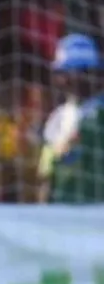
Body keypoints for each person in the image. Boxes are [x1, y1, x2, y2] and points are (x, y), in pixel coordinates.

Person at [39, 33, 104, 204]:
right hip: (63, 220)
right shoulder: (57, 120)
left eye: (82, 71)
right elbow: (46, 176)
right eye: (65, 72)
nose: (71, 79)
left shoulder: (99, 114)